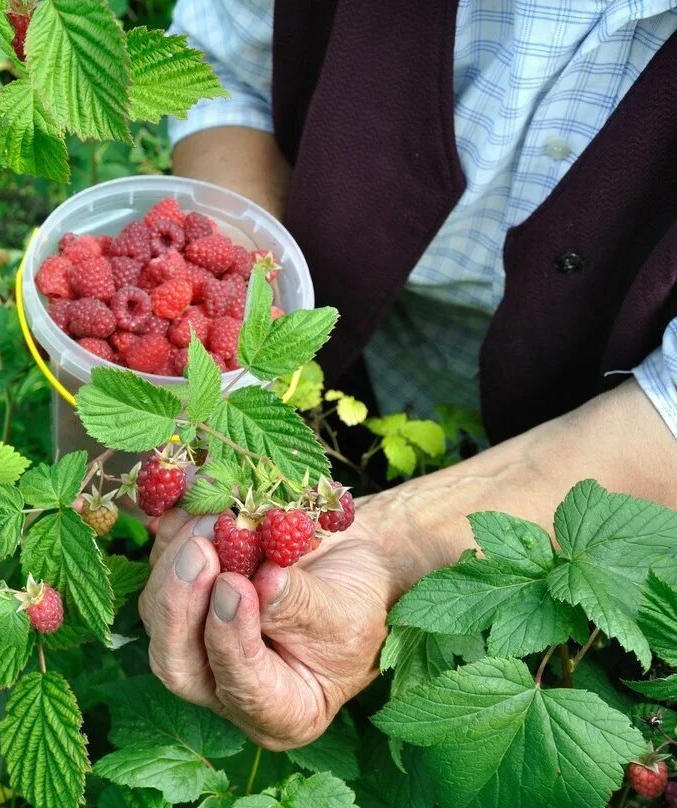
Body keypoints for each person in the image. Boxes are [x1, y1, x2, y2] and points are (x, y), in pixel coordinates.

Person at [138, 1, 677, 750]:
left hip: (610, 423)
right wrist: (231, 348)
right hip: (331, 330)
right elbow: (220, 65)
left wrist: (393, 547)